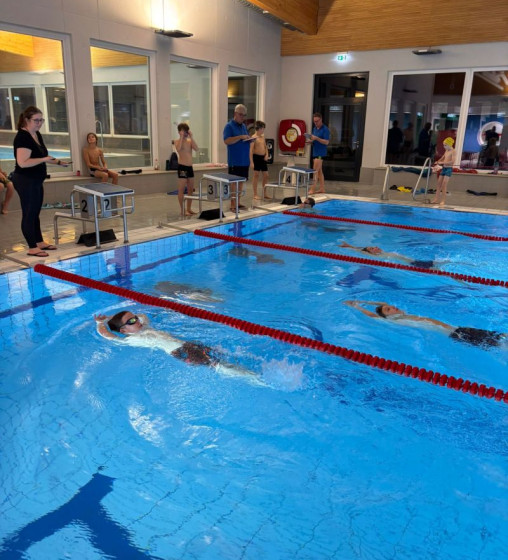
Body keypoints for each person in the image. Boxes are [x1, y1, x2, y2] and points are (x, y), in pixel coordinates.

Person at [94, 311, 260, 381]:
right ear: (123, 330)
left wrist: (111, 318)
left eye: (134, 318)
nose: (136, 320)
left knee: (221, 356)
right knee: (216, 365)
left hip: (188, 344)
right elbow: (108, 335)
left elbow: (143, 316)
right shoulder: (131, 339)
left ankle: (250, 369)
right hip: (180, 351)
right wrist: (101, 323)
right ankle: (252, 379)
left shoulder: (144, 327)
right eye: (131, 321)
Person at [12, 106, 70, 257]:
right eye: (36, 120)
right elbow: (23, 163)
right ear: (26, 120)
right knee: (29, 213)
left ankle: (39, 242)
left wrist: (59, 163)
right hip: (25, 180)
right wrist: (44, 159)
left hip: (36, 180)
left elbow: (44, 156)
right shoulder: (22, 137)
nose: (39, 123)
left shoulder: (36, 134)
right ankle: (32, 247)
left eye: (41, 120)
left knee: (35, 212)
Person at [344, 300, 507, 349]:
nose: (392, 307)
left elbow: (382, 304)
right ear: (386, 316)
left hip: (459, 329)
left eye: (391, 306)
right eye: (388, 310)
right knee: (498, 344)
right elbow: (373, 315)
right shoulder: (394, 320)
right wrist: (357, 306)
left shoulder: (403, 315)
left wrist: (365, 301)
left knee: (500, 337)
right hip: (455, 334)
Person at [223, 104, 253, 212]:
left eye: (244, 115)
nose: (243, 117)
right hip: (235, 161)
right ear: (235, 114)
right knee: (234, 183)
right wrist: (240, 137)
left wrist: (249, 139)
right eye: (241, 115)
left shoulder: (243, 126)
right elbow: (227, 141)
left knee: (241, 182)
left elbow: (244, 139)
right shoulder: (229, 126)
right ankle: (232, 204)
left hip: (244, 160)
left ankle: (238, 202)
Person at [339, 242, 435, 269]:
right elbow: (362, 251)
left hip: (415, 262)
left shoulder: (383, 253)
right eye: (372, 248)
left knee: (438, 263)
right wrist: (350, 248)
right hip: (414, 265)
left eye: (373, 246)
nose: (375, 247)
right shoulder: (378, 257)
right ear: (371, 253)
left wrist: (350, 245)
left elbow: (361, 248)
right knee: (436, 267)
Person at [174, 122, 198, 216]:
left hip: (190, 168)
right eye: (184, 131)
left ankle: (189, 209)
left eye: (186, 131)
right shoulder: (177, 141)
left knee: (190, 189)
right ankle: (182, 210)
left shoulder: (189, 141)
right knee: (181, 190)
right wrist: (181, 137)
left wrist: (191, 137)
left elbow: (196, 149)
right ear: (180, 132)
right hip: (182, 167)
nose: (185, 133)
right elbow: (178, 149)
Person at [307, 113, 330, 194]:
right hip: (315, 152)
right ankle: (322, 189)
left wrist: (316, 138)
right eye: (314, 121)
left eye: (317, 121)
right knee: (319, 172)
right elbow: (315, 140)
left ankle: (312, 189)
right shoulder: (314, 129)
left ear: (321, 120)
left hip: (321, 153)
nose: (316, 123)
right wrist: (311, 141)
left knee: (315, 171)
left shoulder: (325, 129)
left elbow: (326, 142)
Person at [431, 137, 456, 206]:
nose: (444, 146)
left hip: (449, 169)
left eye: (445, 145)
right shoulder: (447, 150)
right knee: (439, 184)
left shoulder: (453, 151)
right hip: (444, 168)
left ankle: (443, 201)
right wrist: (437, 162)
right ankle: (436, 199)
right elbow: (442, 158)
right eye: (444, 145)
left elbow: (452, 161)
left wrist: (442, 162)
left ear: (449, 144)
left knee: (444, 185)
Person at [250, 120, 270, 201]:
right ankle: (255, 194)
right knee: (256, 175)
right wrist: (251, 162)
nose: (263, 130)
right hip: (256, 157)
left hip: (263, 158)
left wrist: (267, 154)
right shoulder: (253, 138)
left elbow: (265, 147)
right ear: (258, 128)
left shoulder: (262, 137)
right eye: (262, 129)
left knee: (266, 175)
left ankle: (265, 193)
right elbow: (251, 150)